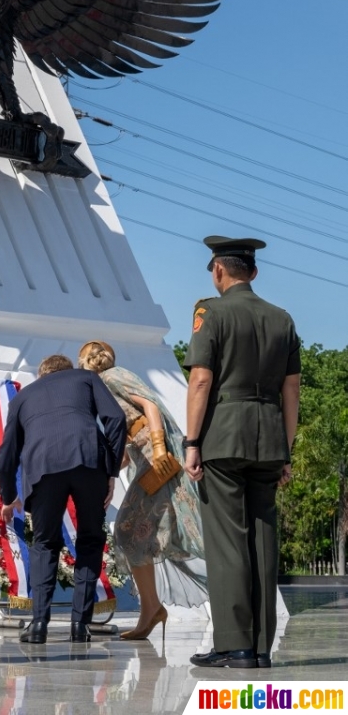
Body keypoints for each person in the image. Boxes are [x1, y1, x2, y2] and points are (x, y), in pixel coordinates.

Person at [183, 235, 300, 670]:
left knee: (228, 542)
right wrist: (285, 450)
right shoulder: (282, 319)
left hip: (223, 438)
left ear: (218, 270)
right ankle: (263, 647)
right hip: (269, 437)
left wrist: (192, 442)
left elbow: (200, 380)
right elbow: (292, 389)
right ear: (254, 271)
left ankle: (235, 646)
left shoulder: (210, 312)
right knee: (263, 540)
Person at [79, 341, 207, 641]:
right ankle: (151, 609)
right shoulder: (103, 392)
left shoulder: (112, 377)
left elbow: (150, 406)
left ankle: (152, 609)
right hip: (145, 459)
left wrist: (160, 449)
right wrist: (106, 478)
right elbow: (124, 447)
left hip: (157, 458)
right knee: (131, 533)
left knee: (129, 530)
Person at [0, 354, 126, 644]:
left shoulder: (22, 397)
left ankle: (39, 624)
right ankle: (81, 625)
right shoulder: (86, 378)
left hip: (42, 469)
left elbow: (6, 454)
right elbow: (116, 418)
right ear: (67, 371)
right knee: (90, 539)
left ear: (42, 374)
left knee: (44, 543)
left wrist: (9, 496)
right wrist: (111, 470)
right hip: (88, 460)